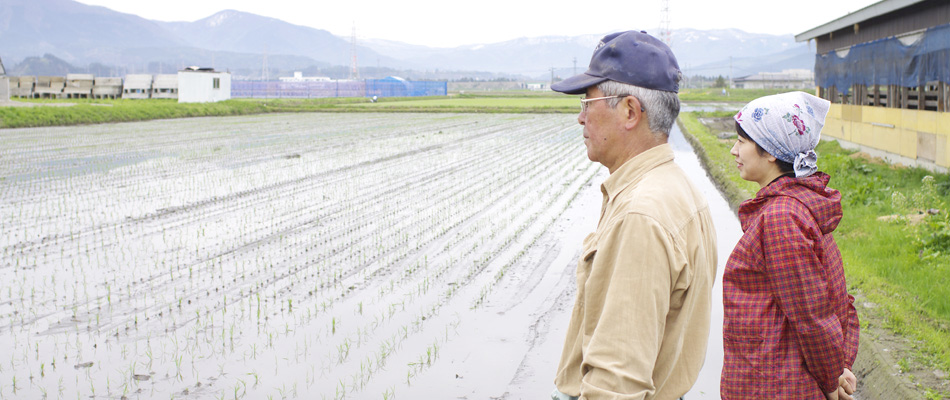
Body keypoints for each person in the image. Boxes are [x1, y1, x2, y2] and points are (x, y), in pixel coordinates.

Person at [550, 30, 718, 400]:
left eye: (587, 103)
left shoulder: (642, 214)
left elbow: (617, 384)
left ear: (629, 111)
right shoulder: (679, 190)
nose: (581, 118)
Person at [721, 91, 860, 400]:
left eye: (742, 142)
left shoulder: (782, 217)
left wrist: (831, 377)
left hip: (775, 385)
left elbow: (812, 315)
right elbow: (827, 299)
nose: (734, 150)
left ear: (770, 151)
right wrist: (836, 369)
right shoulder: (797, 205)